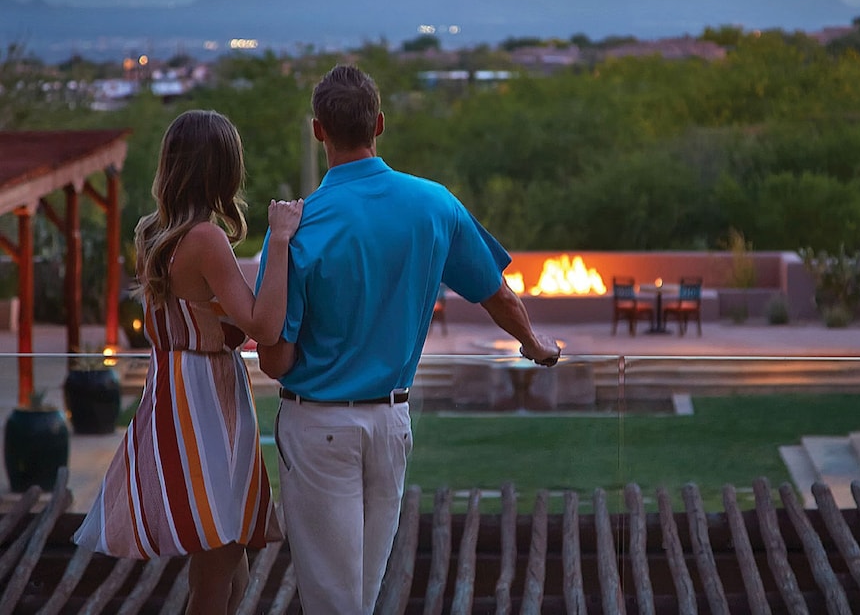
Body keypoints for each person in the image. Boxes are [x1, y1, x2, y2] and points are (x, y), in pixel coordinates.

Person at [254, 64, 561, 614]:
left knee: (333, 601)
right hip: (391, 425)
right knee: (362, 597)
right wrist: (533, 345)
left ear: (318, 130)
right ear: (380, 123)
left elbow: (276, 360)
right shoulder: (434, 205)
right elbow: (498, 294)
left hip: (319, 426)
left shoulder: (301, 227)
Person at [74, 110, 303, 615]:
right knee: (219, 565)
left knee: (224, 562)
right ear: (221, 169)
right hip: (207, 401)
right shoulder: (205, 239)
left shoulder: (152, 233)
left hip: (175, 391)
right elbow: (262, 327)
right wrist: (281, 240)